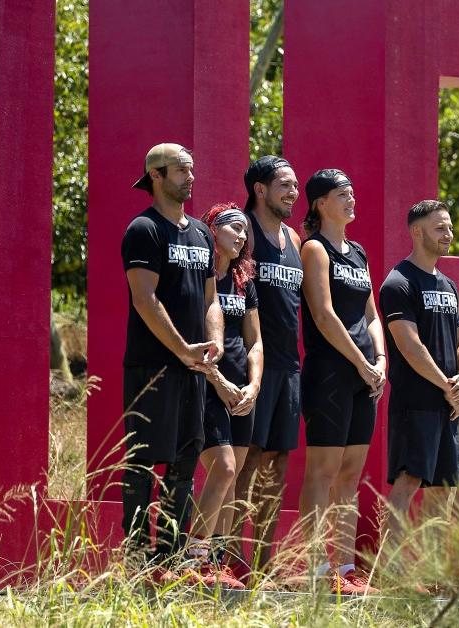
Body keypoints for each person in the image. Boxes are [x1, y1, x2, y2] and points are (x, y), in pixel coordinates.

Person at [120, 143, 223, 585]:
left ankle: (173, 560)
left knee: (184, 465)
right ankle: (137, 560)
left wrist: (213, 342)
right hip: (153, 368)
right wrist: (182, 348)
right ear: (156, 175)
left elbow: (212, 299)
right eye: (181, 170)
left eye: (192, 169)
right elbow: (145, 299)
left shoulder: (200, 233)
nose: (190, 177)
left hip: (193, 369)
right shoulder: (143, 229)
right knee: (144, 464)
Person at [296, 170, 385, 595]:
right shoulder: (314, 248)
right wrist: (359, 361)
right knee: (322, 471)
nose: (350, 200)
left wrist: (380, 359)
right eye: (340, 195)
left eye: (352, 192)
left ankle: (346, 569)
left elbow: (371, 314)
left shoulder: (359, 252)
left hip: (364, 373)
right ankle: (316, 569)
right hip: (331, 370)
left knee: (350, 474)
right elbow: (323, 315)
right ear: (319, 203)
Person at [379, 199, 459, 544]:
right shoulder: (398, 282)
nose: (448, 234)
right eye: (440, 228)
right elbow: (410, 345)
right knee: (409, 482)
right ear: (417, 232)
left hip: (450, 403)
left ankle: (431, 578)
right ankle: (394, 577)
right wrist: (446, 384)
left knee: (443, 490)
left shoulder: (448, 284)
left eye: (449, 227)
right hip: (416, 401)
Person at [231, 155, 304, 577]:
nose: (293, 192)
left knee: (277, 461)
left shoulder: (293, 238)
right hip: (250, 364)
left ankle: (261, 561)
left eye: (295, 186)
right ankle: (226, 554)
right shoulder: (243, 232)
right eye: (284, 185)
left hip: (289, 366)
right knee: (247, 457)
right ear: (260, 189)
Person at [186, 203, 261, 590]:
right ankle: (193, 557)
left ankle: (218, 561)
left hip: (241, 393)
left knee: (232, 482)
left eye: (246, 231)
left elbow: (254, 341)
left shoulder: (244, 279)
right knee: (224, 468)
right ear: (212, 229)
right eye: (235, 229)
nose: (242, 236)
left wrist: (254, 385)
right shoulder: (197, 275)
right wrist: (219, 383)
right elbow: (193, 342)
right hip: (208, 387)